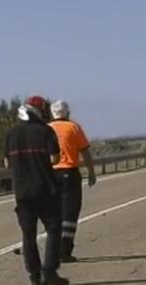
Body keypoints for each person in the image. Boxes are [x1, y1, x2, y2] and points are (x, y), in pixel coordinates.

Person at [4, 95, 69, 285]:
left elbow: (7, 163)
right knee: (54, 229)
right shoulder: (46, 131)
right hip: (45, 189)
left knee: (28, 235)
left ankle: (34, 276)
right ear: (39, 111)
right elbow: (54, 159)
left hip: (22, 192)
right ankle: (49, 272)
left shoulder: (11, 133)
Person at [48, 100, 96, 263]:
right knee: (70, 213)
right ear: (67, 113)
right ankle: (65, 251)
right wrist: (91, 172)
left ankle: (52, 250)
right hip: (69, 173)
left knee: (54, 213)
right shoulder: (74, 127)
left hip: (50, 174)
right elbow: (85, 152)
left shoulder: (47, 129)